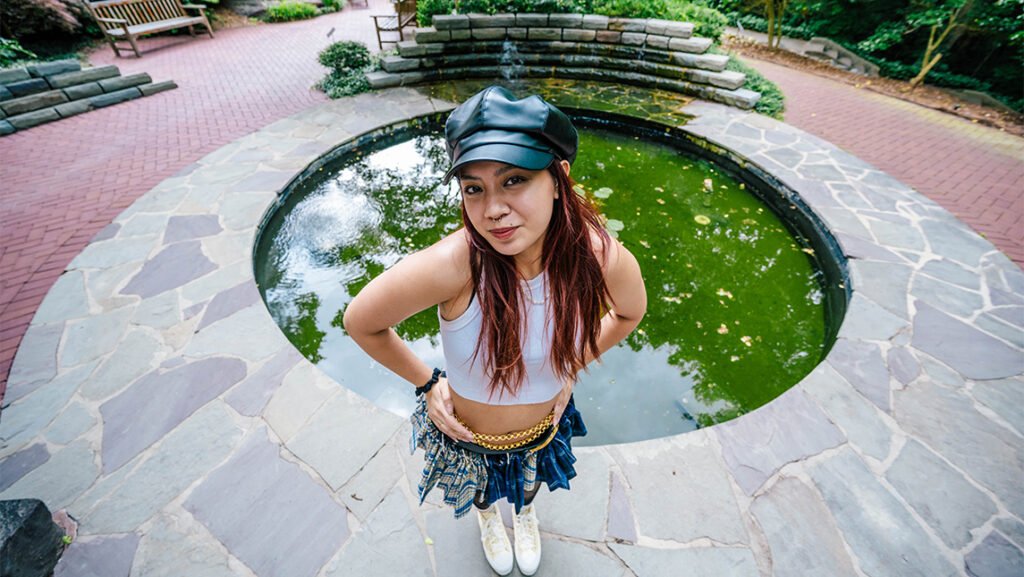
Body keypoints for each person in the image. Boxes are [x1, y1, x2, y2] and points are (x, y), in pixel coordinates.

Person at [343, 85, 647, 576]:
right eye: (473, 187)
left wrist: (571, 364)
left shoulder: (597, 256)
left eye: (514, 180)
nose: (492, 210)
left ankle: (525, 516)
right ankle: (489, 520)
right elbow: (361, 322)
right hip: (466, 432)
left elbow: (630, 313)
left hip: (544, 425)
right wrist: (427, 382)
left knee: (529, 482)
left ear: (558, 178)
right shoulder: (453, 264)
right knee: (480, 488)